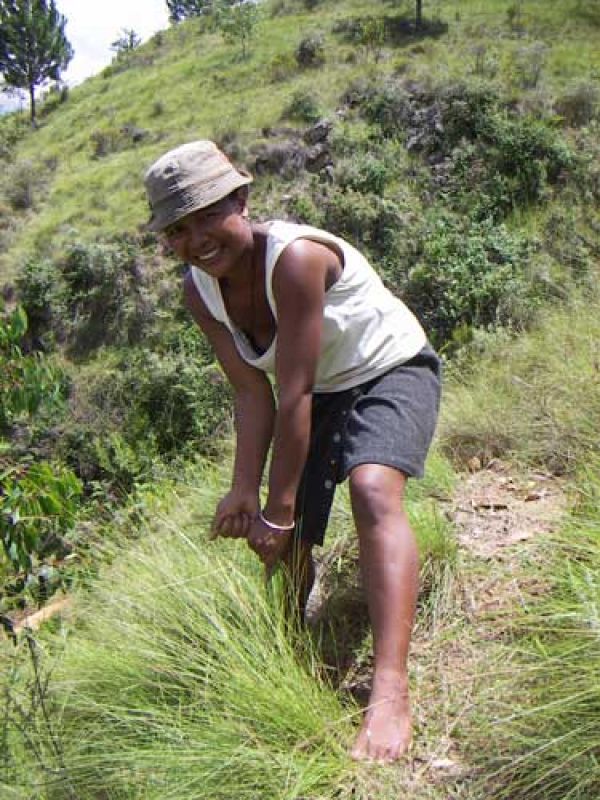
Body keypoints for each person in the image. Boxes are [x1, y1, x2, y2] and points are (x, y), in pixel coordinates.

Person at [144, 140, 441, 763]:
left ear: (241, 200)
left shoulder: (297, 259)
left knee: (370, 488)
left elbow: (294, 391)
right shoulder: (201, 291)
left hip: (390, 369)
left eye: (205, 214)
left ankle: (389, 691)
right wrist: (244, 492)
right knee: (290, 535)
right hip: (322, 391)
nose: (196, 238)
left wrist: (277, 509)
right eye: (177, 228)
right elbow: (253, 391)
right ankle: (283, 650)